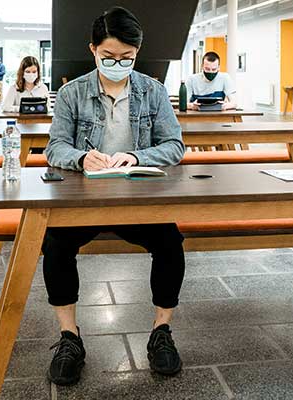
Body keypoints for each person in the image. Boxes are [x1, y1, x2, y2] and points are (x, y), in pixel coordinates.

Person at [44, 6, 186, 385]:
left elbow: (174, 145)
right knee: (55, 242)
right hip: (84, 202)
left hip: (136, 200)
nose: (119, 64)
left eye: (128, 58)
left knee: (170, 241)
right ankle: (69, 337)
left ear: (137, 53)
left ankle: (161, 332)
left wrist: (138, 156)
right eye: (109, 57)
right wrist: (80, 157)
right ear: (93, 50)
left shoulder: (152, 91)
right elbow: (54, 148)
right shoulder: (72, 93)